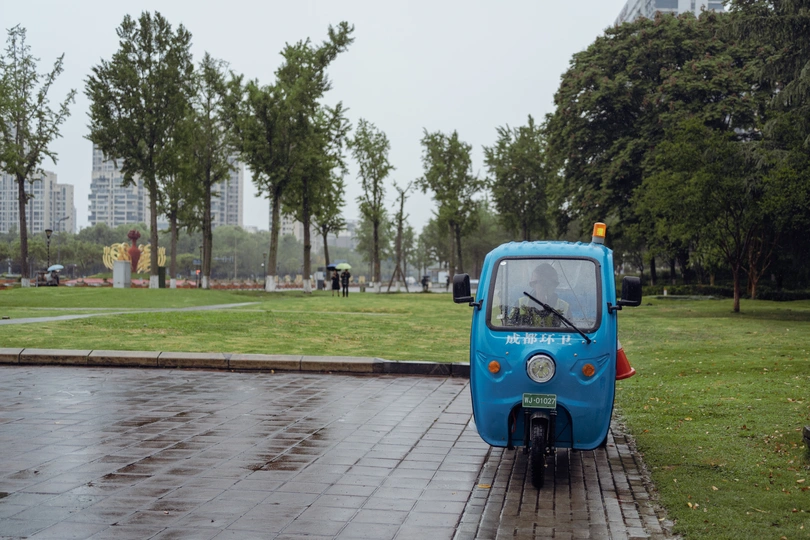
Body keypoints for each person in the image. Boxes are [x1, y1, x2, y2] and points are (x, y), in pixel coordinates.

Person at [507, 263, 570, 327]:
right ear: (533, 285)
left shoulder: (564, 307)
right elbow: (509, 329)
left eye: (549, 284)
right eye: (542, 283)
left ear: (554, 286)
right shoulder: (520, 304)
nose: (545, 287)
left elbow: (572, 333)